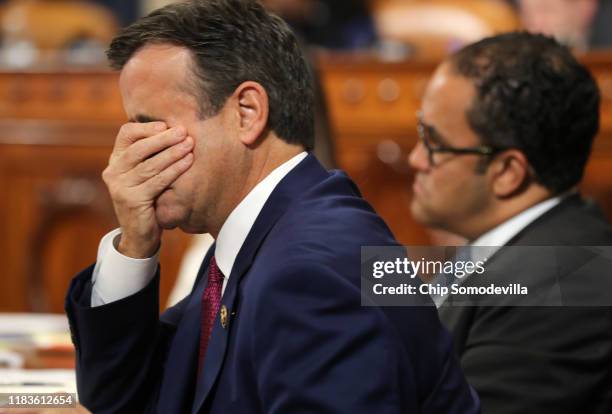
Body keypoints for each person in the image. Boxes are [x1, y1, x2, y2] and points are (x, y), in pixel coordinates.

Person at [64, 1, 479, 413]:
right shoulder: (261, 237)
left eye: (148, 126)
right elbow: (130, 400)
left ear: (247, 112)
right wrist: (134, 245)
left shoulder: (308, 273)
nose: (125, 157)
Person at [408, 32, 612, 413]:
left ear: (506, 171)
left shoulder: (557, 287)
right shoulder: (512, 254)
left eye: (434, 143)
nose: (415, 159)